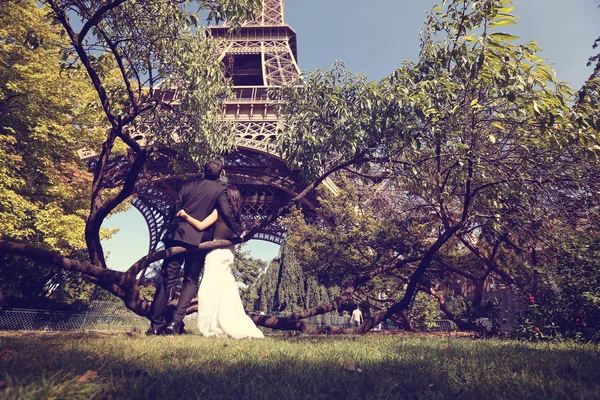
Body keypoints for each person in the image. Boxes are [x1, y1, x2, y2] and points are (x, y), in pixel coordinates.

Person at [148, 160, 243, 336]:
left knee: (166, 279)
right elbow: (226, 212)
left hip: (177, 235)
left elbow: (175, 208)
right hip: (199, 240)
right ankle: (175, 322)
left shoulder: (187, 185)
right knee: (190, 281)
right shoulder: (219, 189)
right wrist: (238, 233)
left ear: (203, 170)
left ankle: (156, 325)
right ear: (220, 173)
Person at [177, 185, 264, 339]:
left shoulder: (219, 212)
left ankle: (214, 324)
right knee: (225, 288)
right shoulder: (236, 216)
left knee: (209, 289)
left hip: (215, 252)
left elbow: (201, 225)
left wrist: (185, 216)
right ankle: (227, 321)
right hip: (228, 253)